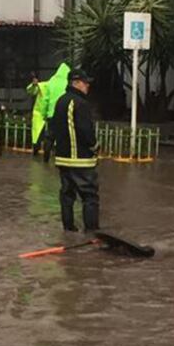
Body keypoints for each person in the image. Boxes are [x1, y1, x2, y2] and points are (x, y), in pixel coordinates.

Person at [49, 68, 100, 233]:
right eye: (85, 83)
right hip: (81, 159)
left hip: (63, 159)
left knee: (67, 195)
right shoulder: (80, 103)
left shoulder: (61, 101)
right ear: (76, 83)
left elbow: (53, 128)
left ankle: (69, 229)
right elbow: (86, 130)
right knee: (90, 196)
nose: (88, 86)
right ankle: (92, 231)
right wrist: (95, 145)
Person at [27, 63, 70, 161]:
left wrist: (45, 113)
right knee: (62, 136)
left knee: (49, 136)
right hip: (63, 114)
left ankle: (45, 155)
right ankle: (59, 156)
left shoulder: (49, 83)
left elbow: (34, 91)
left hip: (49, 114)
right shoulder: (68, 84)